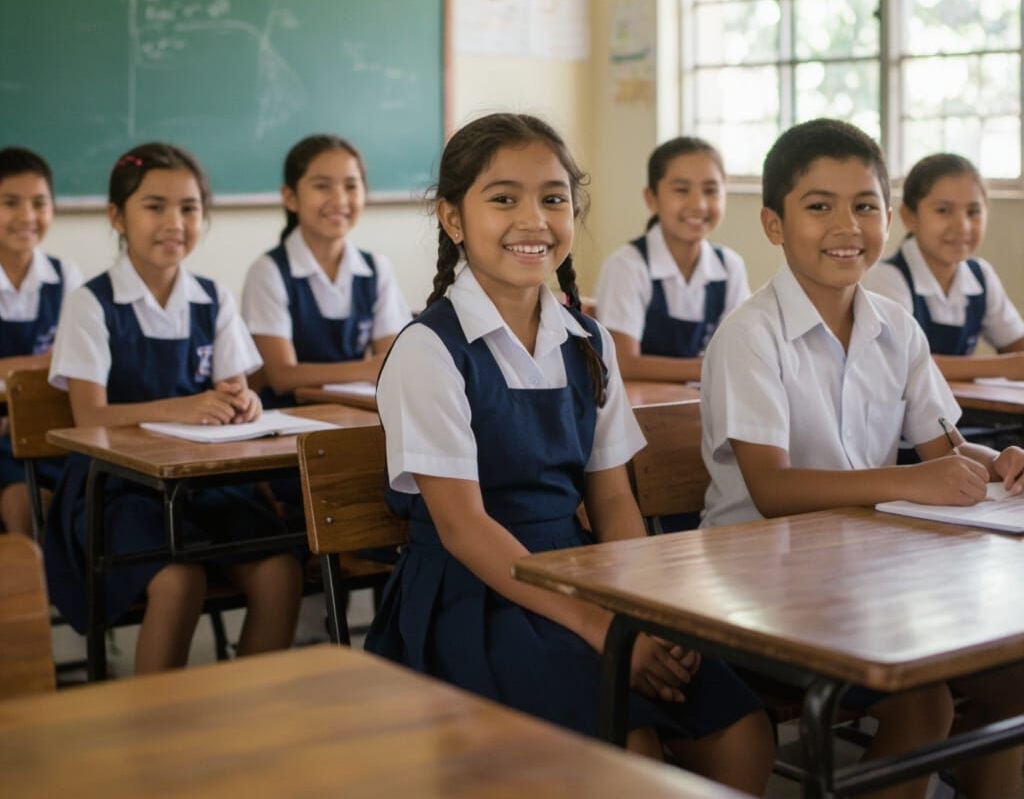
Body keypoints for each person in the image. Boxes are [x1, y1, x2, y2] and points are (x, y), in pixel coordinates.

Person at [365, 113, 772, 793]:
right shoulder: (428, 350)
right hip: (474, 596)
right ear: (452, 218)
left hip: (583, 575)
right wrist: (605, 629)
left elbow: (612, 498)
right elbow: (464, 529)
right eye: (503, 198)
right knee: (628, 740)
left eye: (553, 198)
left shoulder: (587, 340)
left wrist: (642, 612)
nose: (534, 219)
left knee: (741, 732)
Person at [701, 118, 1024, 799]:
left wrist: (995, 463)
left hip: (866, 572)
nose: (847, 225)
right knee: (924, 699)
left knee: (1012, 674)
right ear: (773, 225)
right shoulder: (751, 335)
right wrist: (916, 478)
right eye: (819, 206)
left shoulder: (894, 328)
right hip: (754, 585)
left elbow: (944, 448)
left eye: (865, 205)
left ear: (886, 216)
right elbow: (771, 489)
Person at [44, 143, 301, 674]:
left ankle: (254, 719)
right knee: (180, 580)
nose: (174, 222)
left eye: (189, 207)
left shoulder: (214, 298)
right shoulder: (91, 302)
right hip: (116, 490)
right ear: (117, 216)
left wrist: (243, 401)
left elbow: (231, 392)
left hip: (202, 483)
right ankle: (154, 735)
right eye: (154, 206)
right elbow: (88, 416)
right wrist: (185, 407)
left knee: (281, 570)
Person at [242, 134, 410, 409]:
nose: (339, 199)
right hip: (289, 424)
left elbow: (392, 362)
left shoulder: (376, 269)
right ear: (290, 197)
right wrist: (365, 369)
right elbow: (282, 376)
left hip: (356, 417)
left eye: (351, 186)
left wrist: (374, 367)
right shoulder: (269, 272)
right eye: (322, 186)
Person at [595, 137, 749, 384]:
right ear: (651, 199)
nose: (698, 205)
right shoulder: (627, 266)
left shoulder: (730, 267)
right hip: (640, 413)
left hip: (705, 406)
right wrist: (710, 367)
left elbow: (741, 350)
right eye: (681, 190)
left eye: (710, 191)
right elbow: (623, 363)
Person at [865, 153, 1024, 380]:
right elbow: (902, 364)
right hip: (903, 415)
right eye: (943, 210)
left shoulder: (981, 276)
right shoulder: (889, 277)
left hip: (962, 412)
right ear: (909, 217)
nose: (962, 226)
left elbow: (1016, 346)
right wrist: (1003, 367)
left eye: (973, 212)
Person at [0, 147, 82, 536]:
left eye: (39, 203)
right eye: (10, 203)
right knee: (22, 500)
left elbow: (76, 362)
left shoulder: (66, 277)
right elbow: (55, 361)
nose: (27, 217)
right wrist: (41, 363)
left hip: (52, 429)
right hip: (4, 438)